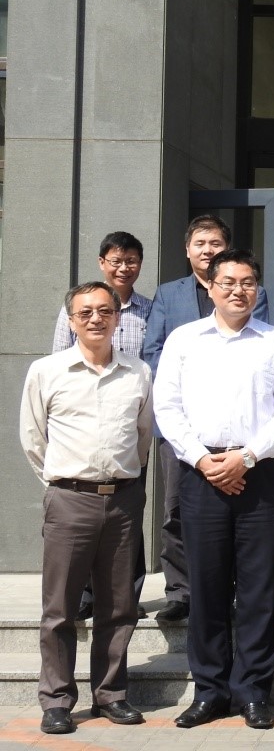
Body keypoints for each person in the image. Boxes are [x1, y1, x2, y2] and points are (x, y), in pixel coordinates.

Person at [154, 249, 274, 730]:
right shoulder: (184, 340)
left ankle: (254, 691)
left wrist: (247, 457)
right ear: (210, 287)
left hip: (259, 473)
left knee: (259, 589)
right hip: (200, 473)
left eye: (248, 283)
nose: (239, 290)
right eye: (229, 282)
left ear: (258, 289)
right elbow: (167, 407)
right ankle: (210, 691)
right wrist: (202, 459)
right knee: (207, 586)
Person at [21, 282, 154, 736]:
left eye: (104, 311)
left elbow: (142, 435)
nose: (96, 318)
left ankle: (111, 694)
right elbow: (33, 438)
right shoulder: (47, 371)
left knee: (118, 606)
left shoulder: (138, 372)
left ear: (118, 317)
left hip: (123, 500)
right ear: (72, 321)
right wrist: (62, 483)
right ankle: (57, 700)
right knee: (60, 609)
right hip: (69, 499)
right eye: (85, 313)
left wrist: (122, 479)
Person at [142, 215, 270, 624]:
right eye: (200, 243)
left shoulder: (249, 291)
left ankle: (224, 589)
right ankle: (181, 591)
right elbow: (153, 351)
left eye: (215, 242)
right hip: (184, 428)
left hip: (241, 435)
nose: (207, 249)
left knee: (237, 520)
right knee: (176, 510)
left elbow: (253, 352)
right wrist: (189, 387)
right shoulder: (169, 293)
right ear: (187, 249)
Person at [51, 232, 152, 621]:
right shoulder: (76, 308)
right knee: (80, 524)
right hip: (83, 421)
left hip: (127, 419)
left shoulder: (148, 309)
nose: (124, 267)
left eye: (131, 261)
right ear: (101, 262)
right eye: (116, 260)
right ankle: (84, 595)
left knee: (127, 518)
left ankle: (127, 595)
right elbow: (58, 363)